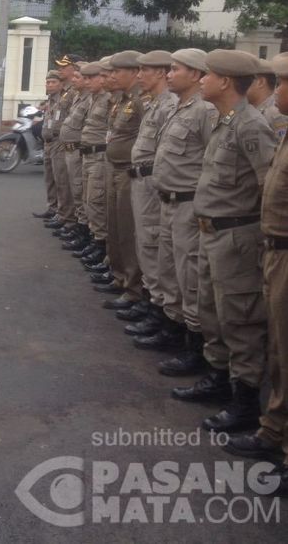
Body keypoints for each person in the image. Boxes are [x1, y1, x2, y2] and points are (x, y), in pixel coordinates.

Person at [172, 49, 277, 434]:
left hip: (236, 238)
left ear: (226, 82)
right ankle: (218, 381)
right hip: (211, 232)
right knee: (212, 312)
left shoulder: (250, 126)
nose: (202, 80)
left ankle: (245, 402)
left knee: (240, 320)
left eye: (208, 75)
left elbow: (271, 186)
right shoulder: (225, 120)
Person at [223, 51, 288, 495]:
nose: (275, 90)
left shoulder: (261, 125)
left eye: (282, 83)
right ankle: (273, 432)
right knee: (280, 354)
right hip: (275, 249)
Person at [144, 49, 218, 376]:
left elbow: (212, 161)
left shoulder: (206, 111)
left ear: (197, 74)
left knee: (189, 278)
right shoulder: (178, 107)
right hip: (168, 200)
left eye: (176, 69)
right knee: (169, 271)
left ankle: (195, 349)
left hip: (190, 204)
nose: (169, 74)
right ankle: (171, 329)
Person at [125, 51, 178, 348]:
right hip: (142, 179)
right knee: (144, 242)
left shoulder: (169, 105)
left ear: (160, 73)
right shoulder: (155, 103)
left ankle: (160, 316)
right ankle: (151, 305)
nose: (139, 75)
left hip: (153, 182)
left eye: (144, 70)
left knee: (153, 244)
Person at [98, 51, 145, 310]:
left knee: (128, 231)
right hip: (115, 167)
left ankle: (133, 288)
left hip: (129, 171)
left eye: (117, 72)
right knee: (114, 225)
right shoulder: (123, 99)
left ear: (133, 72)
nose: (112, 76)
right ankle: (119, 276)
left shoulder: (140, 100)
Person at [76, 61, 110, 266]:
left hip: (100, 156)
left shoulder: (108, 100)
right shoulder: (94, 98)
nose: (87, 82)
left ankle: (100, 245)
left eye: (91, 78)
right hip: (87, 154)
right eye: (85, 78)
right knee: (87, 199)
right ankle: (93, 239)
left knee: (96, 201)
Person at [58, 68, 92, 250]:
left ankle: (83, 232)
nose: (75, 80)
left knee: (80, 193)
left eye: (79, 77)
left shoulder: (91, 100)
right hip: (70, 150)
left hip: (81, 151)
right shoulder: (79, 97)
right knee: (73, 189)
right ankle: (77, 227)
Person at [47, 54, 80, 233]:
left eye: (64, 67)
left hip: (67, 143)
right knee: (59, 181)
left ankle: (68, 219)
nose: (60, 69)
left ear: (74, 68)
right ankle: (63, 215)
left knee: (66, 184)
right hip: (58, 141)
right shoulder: (68, 91)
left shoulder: (73, 91)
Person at [33, 71, 62, 219]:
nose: (50, 85)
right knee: (49, 178)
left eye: (53, 82)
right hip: (48, 143)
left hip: (57, 143)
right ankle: (52, 208)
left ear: (60, 84)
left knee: (59, 179)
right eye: (48, 82)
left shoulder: (63, 100)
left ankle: (60, 212)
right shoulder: (50, 100)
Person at [247, 57, 288, 139]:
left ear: (260, 82)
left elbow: (280, 148)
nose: (239, 85)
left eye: (245, 80)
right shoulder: (251, 108)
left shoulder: (276, 113)